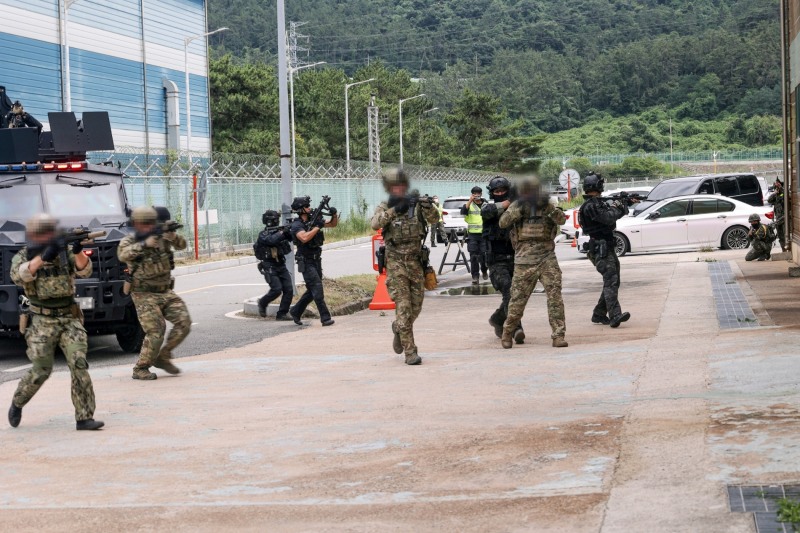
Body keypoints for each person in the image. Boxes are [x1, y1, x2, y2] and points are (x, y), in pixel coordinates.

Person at [7, 214, 103, 430]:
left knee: (79, 365)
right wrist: (44, 257)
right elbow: (19, 275)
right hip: (42, 319)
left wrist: (77, 250)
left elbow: (85, 270)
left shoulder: (65, 252)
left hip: (69, 317)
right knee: (41, 369)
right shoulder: (24, 255)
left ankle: (84, 417)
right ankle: (18, 402)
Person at [371, 169, 439, 365]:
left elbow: (434, 220)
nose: (398, 189)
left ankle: (398, 328)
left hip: (416, 263)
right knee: (403, 307)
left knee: (415, 307)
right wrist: (394, 211)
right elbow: (375, 224)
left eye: (401, 186)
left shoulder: (415, 205)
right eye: (394, 187)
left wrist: (427, 207)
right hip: (395, 263)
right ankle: (410, 352)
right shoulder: (386, 206)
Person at [117, 206, 191, 380]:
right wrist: (144, 244)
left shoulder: (162, 237)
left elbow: (182, 245)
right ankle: (141, 368)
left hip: (165, 291)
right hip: (143, 294)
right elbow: (122, 255)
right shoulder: (130, 240)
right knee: (156, 330)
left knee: (184, 322)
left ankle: (163, 357)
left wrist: (173, 237)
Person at [499, 177, 567, 349]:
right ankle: (507, 332)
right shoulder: (518, 205)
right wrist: (520, 209)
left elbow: (562, 220)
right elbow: (503, 223)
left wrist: (548, 208)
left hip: (547, 258)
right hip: (524, 260)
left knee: (555, 297)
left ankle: (558, 335)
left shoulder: (548, 205)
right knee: (517, 301)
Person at [578, 173, 631, 328]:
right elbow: (608, 218)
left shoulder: (597, 203)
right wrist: (618, 206)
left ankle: (599, 313)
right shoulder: (591, 206)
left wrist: (623, 204)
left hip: (607, 247)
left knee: (613, 281)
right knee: (611, 281)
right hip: (599, 249)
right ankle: (615, 315)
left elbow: (614, 216)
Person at [481, 176, 524, 343]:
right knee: (508, 289)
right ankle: (516, 327)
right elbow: (488, 212)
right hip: (496, 260)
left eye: (502, 191)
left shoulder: (517, 208)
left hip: (516, 257)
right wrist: (509, 203)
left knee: (518, 294)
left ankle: (499, 318)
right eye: (496, 191)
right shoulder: (488, 208)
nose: (499, 193)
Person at [289, 196, 339, 326]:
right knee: (317, 288)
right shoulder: (296, 225)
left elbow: (333, 224)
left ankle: (295, 311)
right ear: (301, 210)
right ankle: (325, 318)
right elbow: (304, 238)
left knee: (312, 291)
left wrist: (334, 214)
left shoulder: (313, 219)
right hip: (305, 261)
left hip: (316, 260)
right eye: (306, 206)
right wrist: (317, 227)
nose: (309, 208)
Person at [254, 210, 293, 320]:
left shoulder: (280, 232)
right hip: (269, 265)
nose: (277, 222)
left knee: (289, 289)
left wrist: (290, 229)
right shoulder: (263, 234)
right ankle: (262, 303)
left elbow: (291, 237)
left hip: (281, 264)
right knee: (276, 289)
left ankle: (282, 313)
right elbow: (271, 240)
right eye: (275, 220)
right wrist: (283, 232)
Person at [461, 186, 489, 284]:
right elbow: (463, 211)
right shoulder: (469, 204)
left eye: (478, 193)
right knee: (473, 256)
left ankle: (484, 270)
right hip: (472, 234)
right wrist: (470, 200)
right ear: (472, 194)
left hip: (484, 234)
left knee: (483, 255)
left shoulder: (486, 204)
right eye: (474, 194)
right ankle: (475, 276)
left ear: (481, 194)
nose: (477, 195)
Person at [767, 179, 786, 252]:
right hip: (778, 220)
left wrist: (781, 188)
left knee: (786, 235)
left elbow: (787, 195)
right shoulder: (776, 196)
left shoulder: (785, 193)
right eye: (776, 187)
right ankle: (784, 250)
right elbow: (769, 200)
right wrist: (775, 193)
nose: (777, 188)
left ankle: (789, 250)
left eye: (778, 187)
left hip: (785, 219)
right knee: (780, 236)